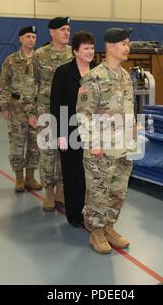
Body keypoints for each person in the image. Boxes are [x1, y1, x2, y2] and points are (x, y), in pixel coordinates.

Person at [76, 28, 137, 254]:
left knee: (118, 191)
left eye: (128, 43)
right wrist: (93, 143)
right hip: (100, 149)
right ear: (110, 46)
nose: (127, 47)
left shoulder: (125, 77)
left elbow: (129, 110)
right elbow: (83, 114)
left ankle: (110, 227)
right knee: (98, 192)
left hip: (122, 147)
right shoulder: (94, 77)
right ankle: (97, 232)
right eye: (123, 43)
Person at [50, 31, 95, 227]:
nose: (90, 52)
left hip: (92, 133)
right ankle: (74, 214)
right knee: (72, 173)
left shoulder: (97, 73)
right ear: (75, 51)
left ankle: (89, 211)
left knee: (90, 174)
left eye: (92, 48)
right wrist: (60, 134)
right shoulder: (63, 72)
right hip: (69, 131)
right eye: (86, 48)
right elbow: (56, 104)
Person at [0, 25, 42, 192]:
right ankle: (19, 179)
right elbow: (3, 83)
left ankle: (31, 178)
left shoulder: (40, 60)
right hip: (16, 107)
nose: (31, 39)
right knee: (17, 143)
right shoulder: (11, 60)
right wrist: (3, 106)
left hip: (35, 108)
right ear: (21, 39)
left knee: (35, 145)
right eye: (28, 36)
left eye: (34, 37)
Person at [34, 17, 74, 211]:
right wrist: (29, 112)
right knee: (48, 154)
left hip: (67, 112)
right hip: (45, 112)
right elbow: (30, 84)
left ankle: (62, 191)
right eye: (62, 29)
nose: (67, 32)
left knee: (66, 154)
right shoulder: (39, 55)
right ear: (52, 32)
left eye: (68, 29)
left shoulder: (74, 55)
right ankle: (49, 192)